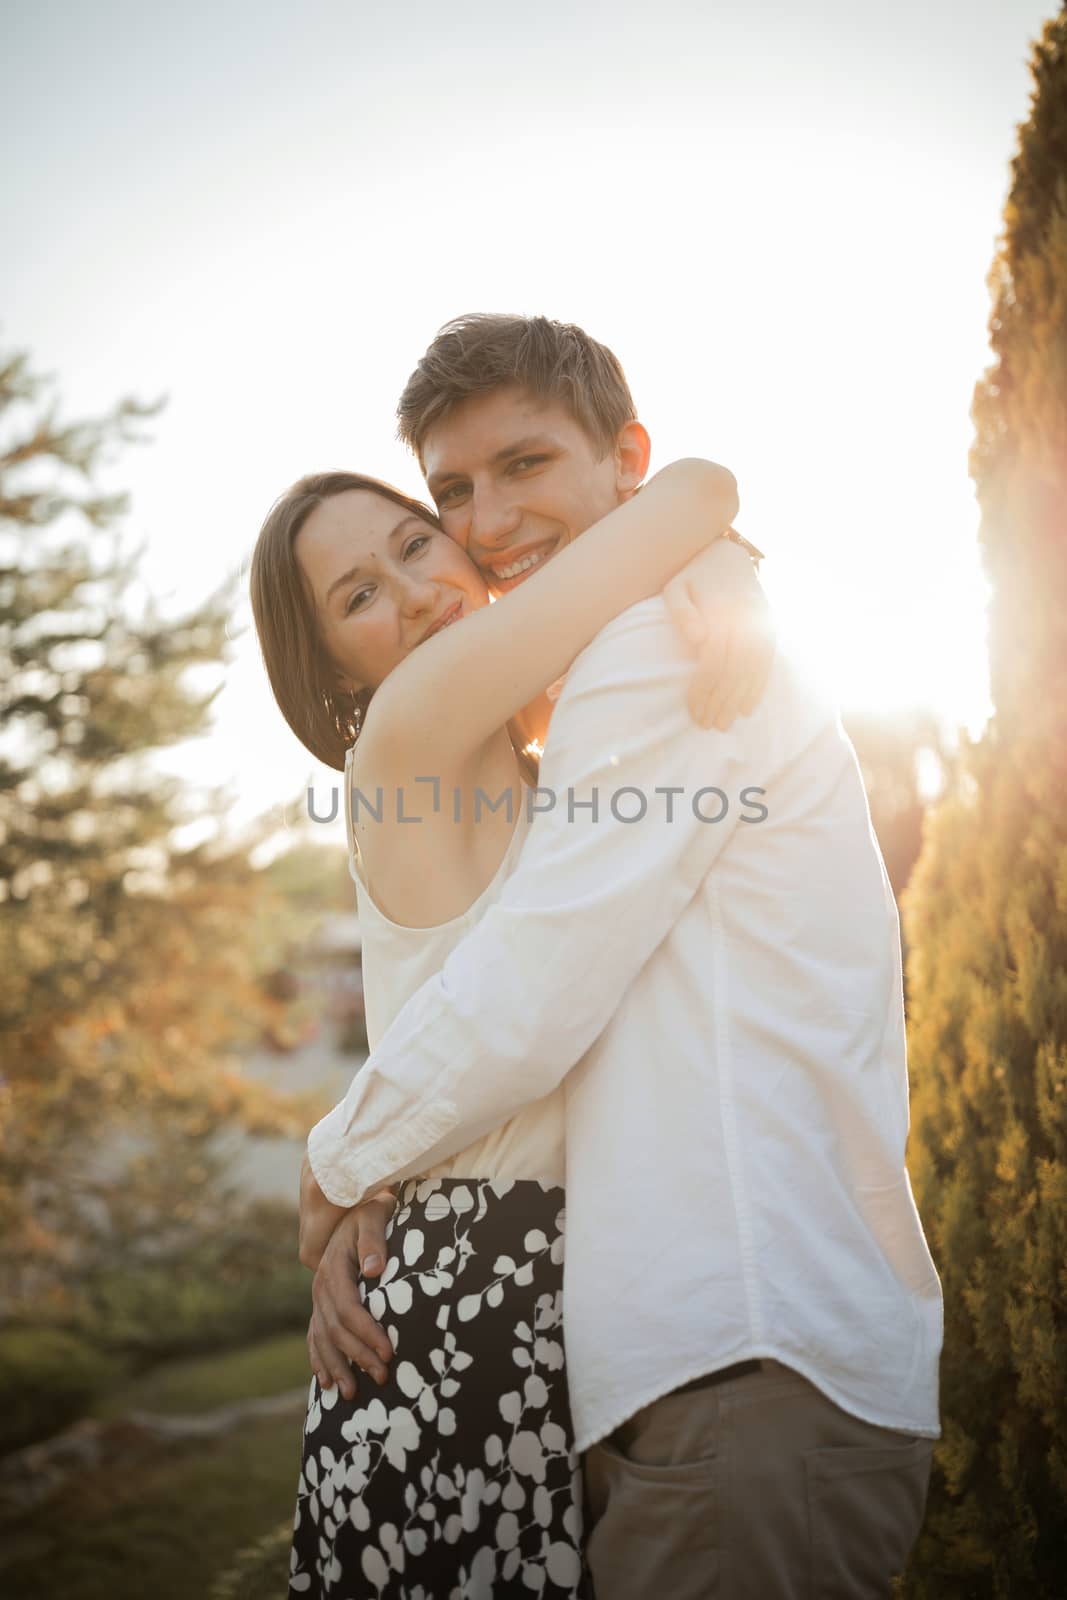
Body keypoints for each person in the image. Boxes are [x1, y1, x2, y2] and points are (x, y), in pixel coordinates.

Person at [301, 314, 944, 1599]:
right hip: (705, 1375)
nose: (485, 524)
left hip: (744, 1356)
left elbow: (536, 982)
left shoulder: (655, 652)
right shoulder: (635, 647)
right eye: (455, 492)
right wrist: (707, 535)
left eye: (525, 465)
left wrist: (337, 1163)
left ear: (621, 459)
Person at [251, 429, 768, 1596]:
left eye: (413, 542)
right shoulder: (408, 730)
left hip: (546, 1276)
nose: (418, 590)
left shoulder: (535, 770)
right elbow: (692, 489)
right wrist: (707, 530)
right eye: (358, 594)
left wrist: (719, 566)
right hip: (462, 1299)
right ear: (335, 667)